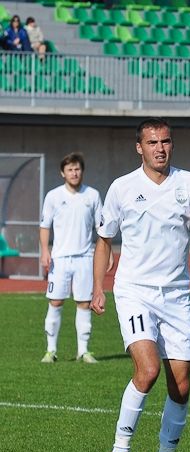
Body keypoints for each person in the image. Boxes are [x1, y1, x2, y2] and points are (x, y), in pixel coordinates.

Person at [92, 118, 190, 452]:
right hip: (135, 291)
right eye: (152, 142)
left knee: (181, 386)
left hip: (177, 295)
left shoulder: (189, 184)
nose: (160, 148)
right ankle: (120, 451)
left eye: (166, 141)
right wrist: (98, 287)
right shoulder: (122, 188)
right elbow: (104, 238)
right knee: (148, 370)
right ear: (140, 147)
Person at [38, 153, 103, 364]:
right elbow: (44, 225)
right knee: (55, 302)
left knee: (84, 303)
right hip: (60, 259)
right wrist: (45, 251)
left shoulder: (92, 195)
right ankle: (51, 351)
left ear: (81, 171)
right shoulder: (53, 196)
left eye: (77, 169)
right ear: (62, 173)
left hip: (85, 258)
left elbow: (100, 227)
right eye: (70, 170)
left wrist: (106, 253)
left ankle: (83, 351)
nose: (74, 173)